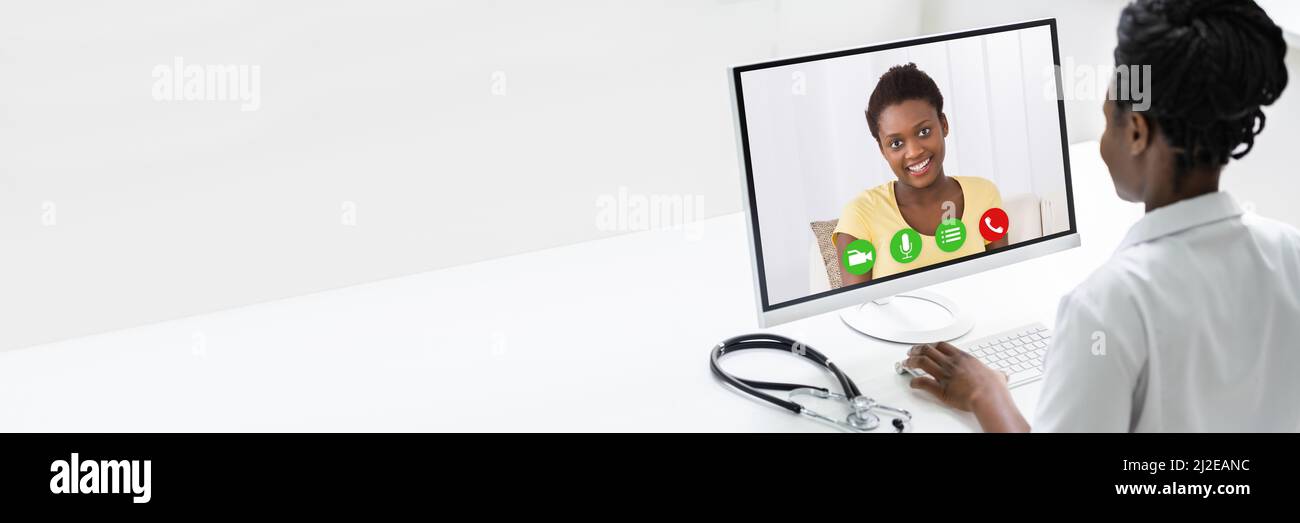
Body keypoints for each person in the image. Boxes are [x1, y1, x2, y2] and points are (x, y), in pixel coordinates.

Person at [902, 0, 1300, 432]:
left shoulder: (1108, 308)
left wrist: (986, 394)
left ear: (1136, 132)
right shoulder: (1290, 254)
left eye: (1108, 118)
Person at [833, 63, 1008, 285]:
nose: (914, 151)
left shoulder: (984, 194)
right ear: (882, 150)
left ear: (943, 124)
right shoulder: (859, 216)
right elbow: (858, 311)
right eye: (896, 143)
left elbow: (1003, 283)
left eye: (924, 131)